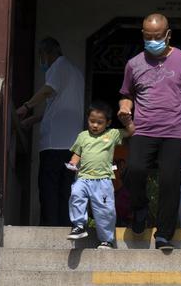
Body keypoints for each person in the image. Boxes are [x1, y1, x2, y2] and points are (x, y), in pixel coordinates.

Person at [118, 13, 181, 250]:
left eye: (157, 36)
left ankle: (164, 234)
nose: (153, 41)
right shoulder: (133, 64)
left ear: (168, 35)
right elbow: (127, 94)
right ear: (142, 35)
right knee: (134, 170)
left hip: (174, 132)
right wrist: (125, 108)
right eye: (148, 37)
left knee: (170, 180)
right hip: (143, 130)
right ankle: (140, 208)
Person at [15, 37, 84, 226]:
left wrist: (26, 106)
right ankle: (63, 227)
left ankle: (49, 228)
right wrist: (35, 119)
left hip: (54, 144)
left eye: (41, 56)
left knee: (49, 188)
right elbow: (58, 105)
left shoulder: (57, 66)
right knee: (65, 189)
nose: (41, 61)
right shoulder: (76, 72)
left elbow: (47, 90)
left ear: (45, 54)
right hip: (73, 145)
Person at [67, 101, 135, 249]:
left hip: (103, 181)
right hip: (83, 177)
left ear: (108, 123)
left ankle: (106, 240)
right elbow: (77, 153)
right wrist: (73, 163)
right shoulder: (82, 136)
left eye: (99, 122)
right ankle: (79, 225)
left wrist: (128, 121)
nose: (95, 125)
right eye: (92, 121)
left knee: (105, 210)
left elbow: (131, 132)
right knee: (76, 195)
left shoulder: (112, 134)